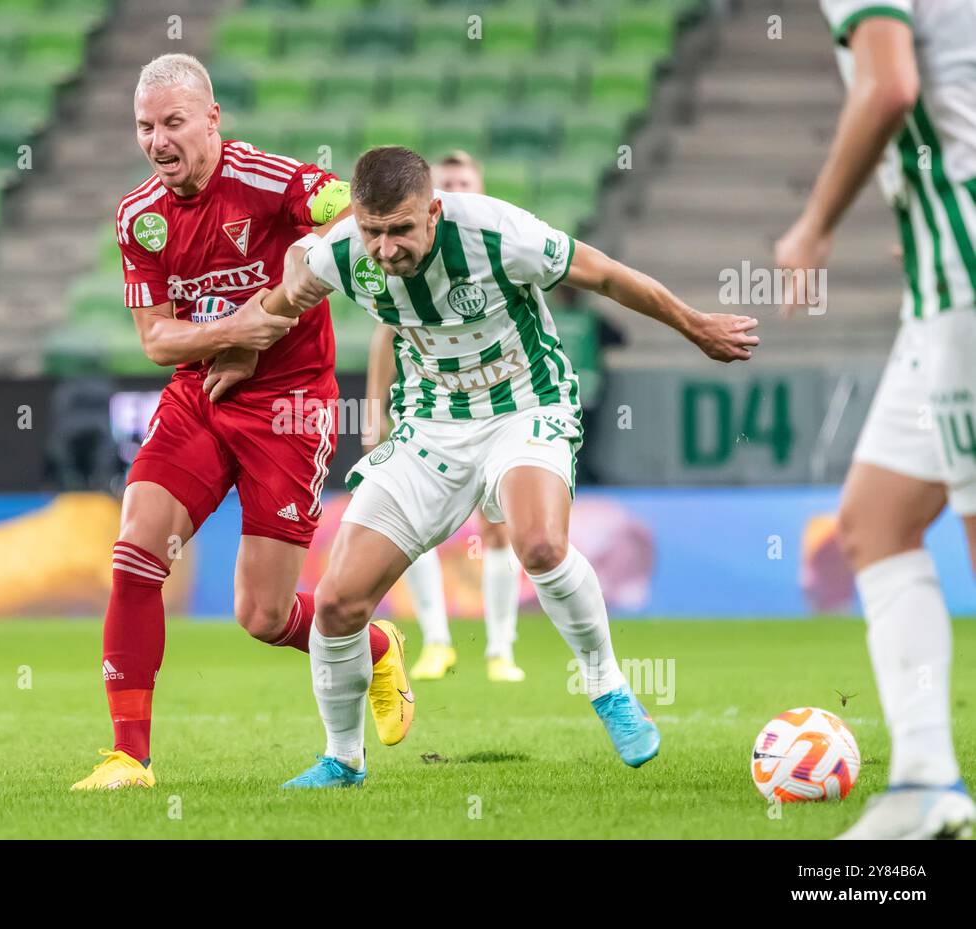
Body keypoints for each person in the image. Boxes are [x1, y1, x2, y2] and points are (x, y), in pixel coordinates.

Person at [214, 146, 758, 787]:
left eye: (399, 230)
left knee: (539, 544)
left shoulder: (499, 234)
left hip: (525, 406)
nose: (385, 249)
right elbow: (283, 300)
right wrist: (241, 352)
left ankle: (607, 686)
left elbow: (605, 275)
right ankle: (343, 758)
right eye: (372, 231)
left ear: (433, 213)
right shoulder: (342, 254)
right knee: (336, 603)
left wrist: (696, 326)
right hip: (431, 428)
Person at [71, 55, 413, 791]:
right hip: (200, 397)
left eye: (173, 123)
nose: (158, 141)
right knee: (135, 552)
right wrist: (239, 332)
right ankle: (130, 756)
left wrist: (288, 291)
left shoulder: (271, 182)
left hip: (289, 408)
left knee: (261, 614)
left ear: (212, 118)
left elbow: (360, 214)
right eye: (144, 127)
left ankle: (376, 644)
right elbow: (158, 340)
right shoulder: (140, 219)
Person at [776, 0, 976, 838]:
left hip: (962, 270)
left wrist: (813, 225)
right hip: (942, 266)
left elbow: (889, 84)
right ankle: (927, 780)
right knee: (874, 520)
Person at [366, 150, 527, 683]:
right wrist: (374, 413)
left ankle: (501, 648)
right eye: (449, 182)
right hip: (432, 413)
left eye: (466, 181)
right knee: (416, 528)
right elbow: (383, 335)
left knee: (498, 529)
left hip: (500, 411)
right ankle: (436, 640)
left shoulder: (497, 248)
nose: (458, 189)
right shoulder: (407, 259)